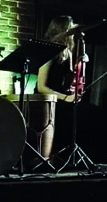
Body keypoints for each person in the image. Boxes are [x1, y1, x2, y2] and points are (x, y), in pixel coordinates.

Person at [32, 15, 80, 161]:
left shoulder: (68, 52)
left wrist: (79, 66)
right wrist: (65, 98)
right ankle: (57, 155)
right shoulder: (49, 51)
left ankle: (69, 157)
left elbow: (68, 79)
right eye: (70, 27)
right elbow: (41, 87)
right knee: (72, 115)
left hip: (59, 97)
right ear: (63, 30)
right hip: (46, 99)